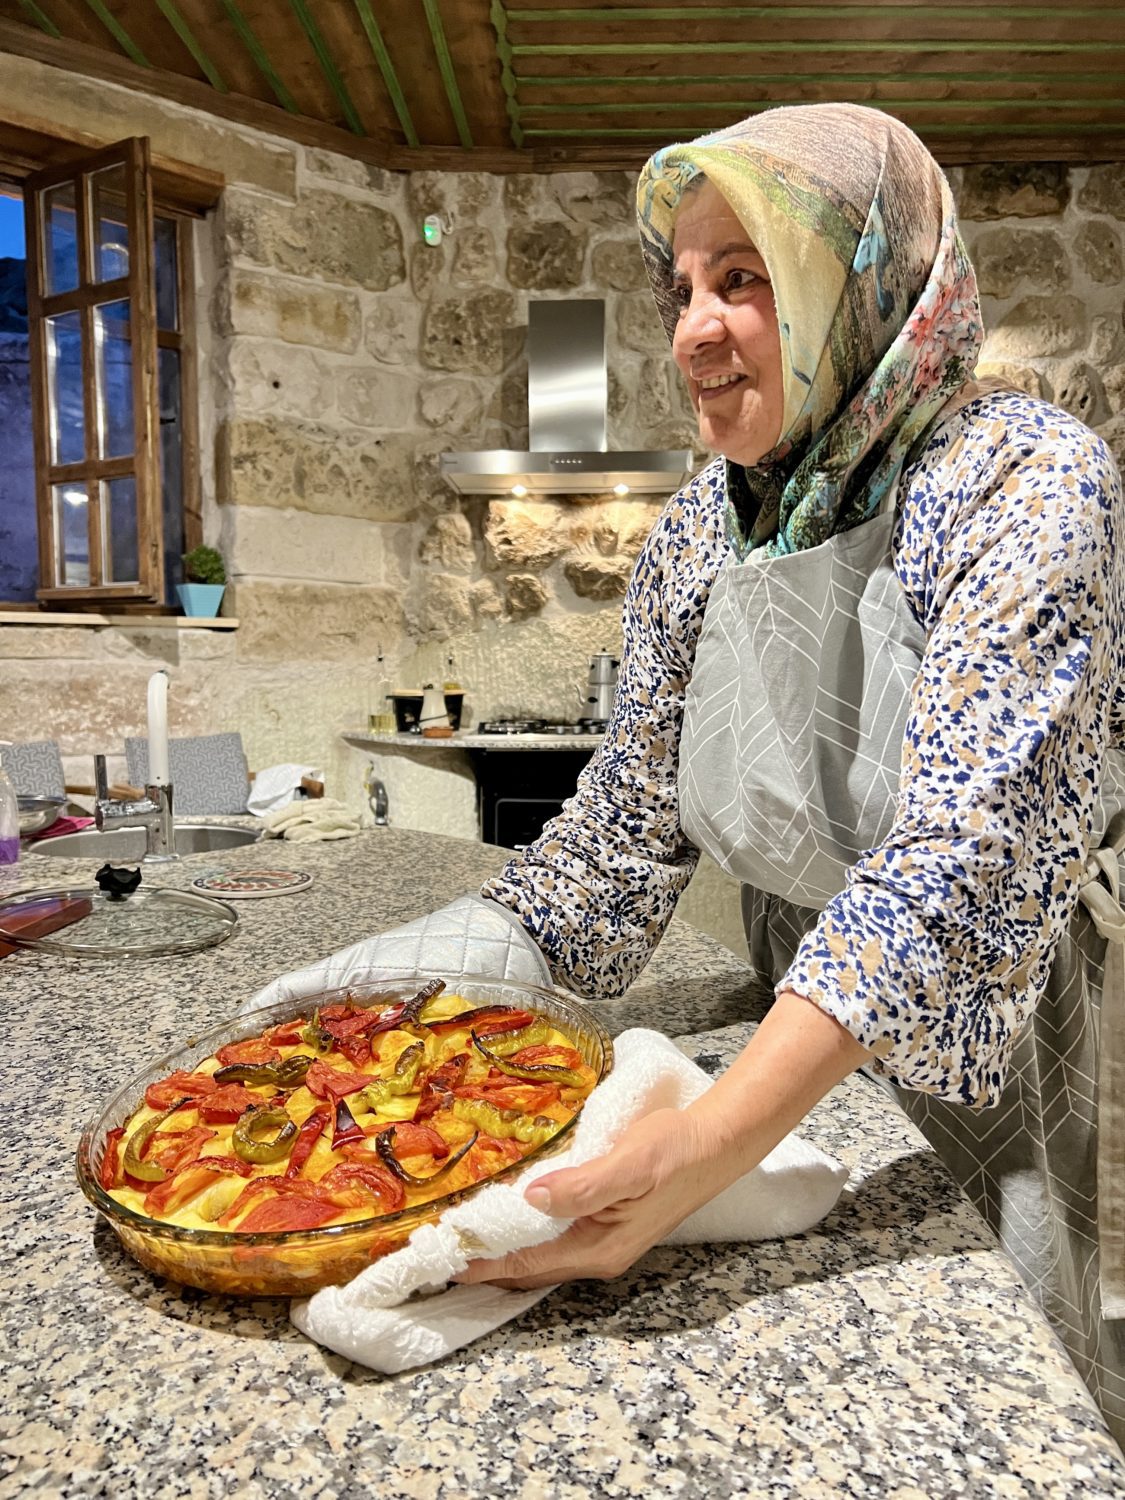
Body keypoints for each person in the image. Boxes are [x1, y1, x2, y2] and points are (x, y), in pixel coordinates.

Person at [257, 105, 1125, 1438]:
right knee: (809, 1329)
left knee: (990, 1317)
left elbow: (957, 861)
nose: (691, 333)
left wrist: (702, 1147)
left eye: (745, 281)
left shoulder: (1023, 475)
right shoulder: (697, 533)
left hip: (987, 976)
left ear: (868, 284)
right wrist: (456, 949)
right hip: (796, 949)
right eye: (679, 289)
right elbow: (619, 829)